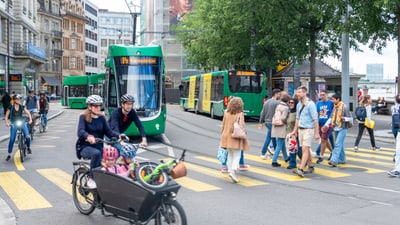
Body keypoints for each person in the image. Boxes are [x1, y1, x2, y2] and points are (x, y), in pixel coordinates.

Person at [77, 95, 122, 188]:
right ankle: (91, 179)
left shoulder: (101, 118)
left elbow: (109, 132)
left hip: (99, 146)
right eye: (95, 106)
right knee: (96, 154)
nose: (98, 108)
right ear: (89, 106)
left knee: (112, 157)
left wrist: (119, 135)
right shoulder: (83, 117)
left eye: (99, 106)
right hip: (85, 147)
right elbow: (80, 131)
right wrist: (88, 136)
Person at [290, 86, 320, 178]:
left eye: (299, 92)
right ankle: (310, 166)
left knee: (304, 149)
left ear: (304, 93)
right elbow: (297, 118)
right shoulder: (299, 104)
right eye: (298, 92)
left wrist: (316, 133)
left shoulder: (311, 104)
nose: (298, 94)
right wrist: (294, 131)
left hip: (308, 129)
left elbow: (315, 119)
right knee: (305, 148)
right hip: (300, 129)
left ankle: (301, 169)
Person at [220, 97, 250, 183]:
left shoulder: (226, 112)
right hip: (235, 136)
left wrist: (223, 135)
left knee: (230, 154)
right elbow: (242, 126)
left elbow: (223, 125)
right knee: (237, 155)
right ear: (240, 105)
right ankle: (233, 171)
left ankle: (230, 170)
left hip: (226, 135)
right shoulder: (240, 114)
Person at [324, 94, 352, 166]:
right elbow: (331, 117)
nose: (332, 101)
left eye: (333, 99)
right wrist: (326, 125)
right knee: (340, 144)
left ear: (338, 99)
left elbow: (350, 118)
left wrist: (344, 118)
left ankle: (334, 160)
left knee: (337, 144)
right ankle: (342, 159)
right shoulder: (335, 107)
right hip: (336, 127)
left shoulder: (344, 107)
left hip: (343, 128)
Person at [4, 94, 33, 161]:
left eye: (19, 99)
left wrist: (30, 119)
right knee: (12, 139)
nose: (19, 100)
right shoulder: (11, 107)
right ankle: (9, 154)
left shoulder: (22, 106)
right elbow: (6, 116)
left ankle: (28, 147)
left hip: (22, 122)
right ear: (14, 100)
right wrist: (7, 123)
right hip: (14, 123)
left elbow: (28, 113)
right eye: (17, 99)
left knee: (28, 136)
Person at [258, 89, 281, 159]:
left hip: (267, 122)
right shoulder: (277, 103)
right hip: (272, 122)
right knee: (269, 137)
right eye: (279, 94)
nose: (279, 95)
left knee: (273, 136)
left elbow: (262, 113)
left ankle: (275, 149)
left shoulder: (267, 102)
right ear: (276, 94)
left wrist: (260, 122)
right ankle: (263, 152)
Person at [271, 93, 290, 167]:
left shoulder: (278, 106)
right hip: (282, 126)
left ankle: (286, 157)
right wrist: (287, 122)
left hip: (276, 125)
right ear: (287, 100)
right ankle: (274, 160)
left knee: (281, 143)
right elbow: (283, 118)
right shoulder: (285, 108)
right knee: (279, 144)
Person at [315, 90, 334, 163]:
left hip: (327, 124)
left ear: (326, 95)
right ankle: (332, 152)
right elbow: (317, 113)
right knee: (325, 140)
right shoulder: (318, 103)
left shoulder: (331, 103)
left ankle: (321, 156)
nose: (322, 96)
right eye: (321, 95)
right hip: (320, 123)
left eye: (323, 95)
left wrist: (329, 122)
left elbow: (332, 113)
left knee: (323, 140)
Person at [286, 96, 302, 169]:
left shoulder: (297, 113)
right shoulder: (290, 112)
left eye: (292, 103)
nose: (290, 104)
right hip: (290, 134)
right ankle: (292, 164)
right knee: (292, 149)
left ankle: (305, 161)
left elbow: (298, 123)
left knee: (299, 150)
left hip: (297, 133)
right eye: (289, 102)